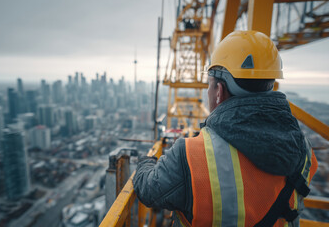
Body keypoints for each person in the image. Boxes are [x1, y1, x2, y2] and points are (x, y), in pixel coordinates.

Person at [133, 30, 318, 227]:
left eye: (210, 85)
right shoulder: (303, 149)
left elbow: (148, 190)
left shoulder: (190, 155)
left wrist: (145, 161)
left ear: (219, 91)